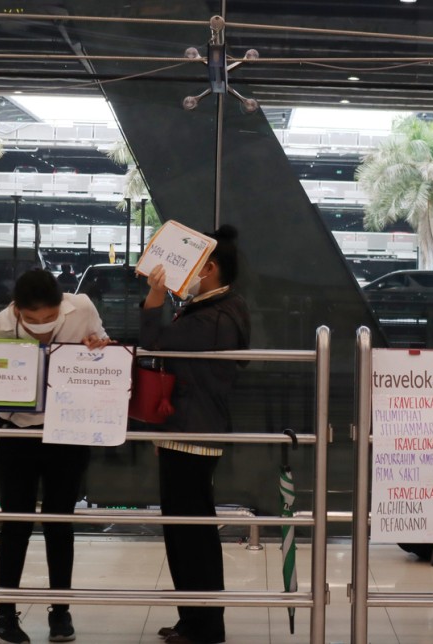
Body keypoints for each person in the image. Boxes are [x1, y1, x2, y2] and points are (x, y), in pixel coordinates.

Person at [141, 225, 250, 644]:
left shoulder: (216, 316)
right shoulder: (218, 306)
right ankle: (194, 620)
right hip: (188, 427)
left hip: (193, 429)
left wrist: (155, 295)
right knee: (186, 528)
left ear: (210, 267)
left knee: (191, 530)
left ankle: (204, 625)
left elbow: (155, 341)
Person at [0, 269, 110, 644]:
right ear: (17, 310)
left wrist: (98, 345)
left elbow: (104, 346)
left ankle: (61, 611)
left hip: (69, 430)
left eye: (49, 317)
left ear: (61, 304)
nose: (42, 323)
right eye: (33, 319)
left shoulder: (82, 308)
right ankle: (6, 611)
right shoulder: (1, 325)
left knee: (60, 520)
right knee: (16, 521)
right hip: (17, 431)